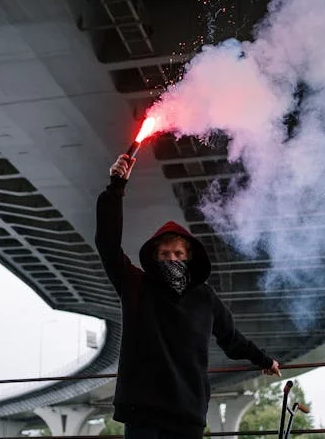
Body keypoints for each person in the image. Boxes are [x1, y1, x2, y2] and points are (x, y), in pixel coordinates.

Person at [95, 154, 282, 439]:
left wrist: (264, 360)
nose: (172, 259)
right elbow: (107, 245)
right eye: (164, 254)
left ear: (189, 257)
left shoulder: (205, 297)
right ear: (154, 258)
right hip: (143, 413)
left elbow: (232, 339)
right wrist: (116, 187)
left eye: (178, 254)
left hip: (187, 415)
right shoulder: (136, 285)